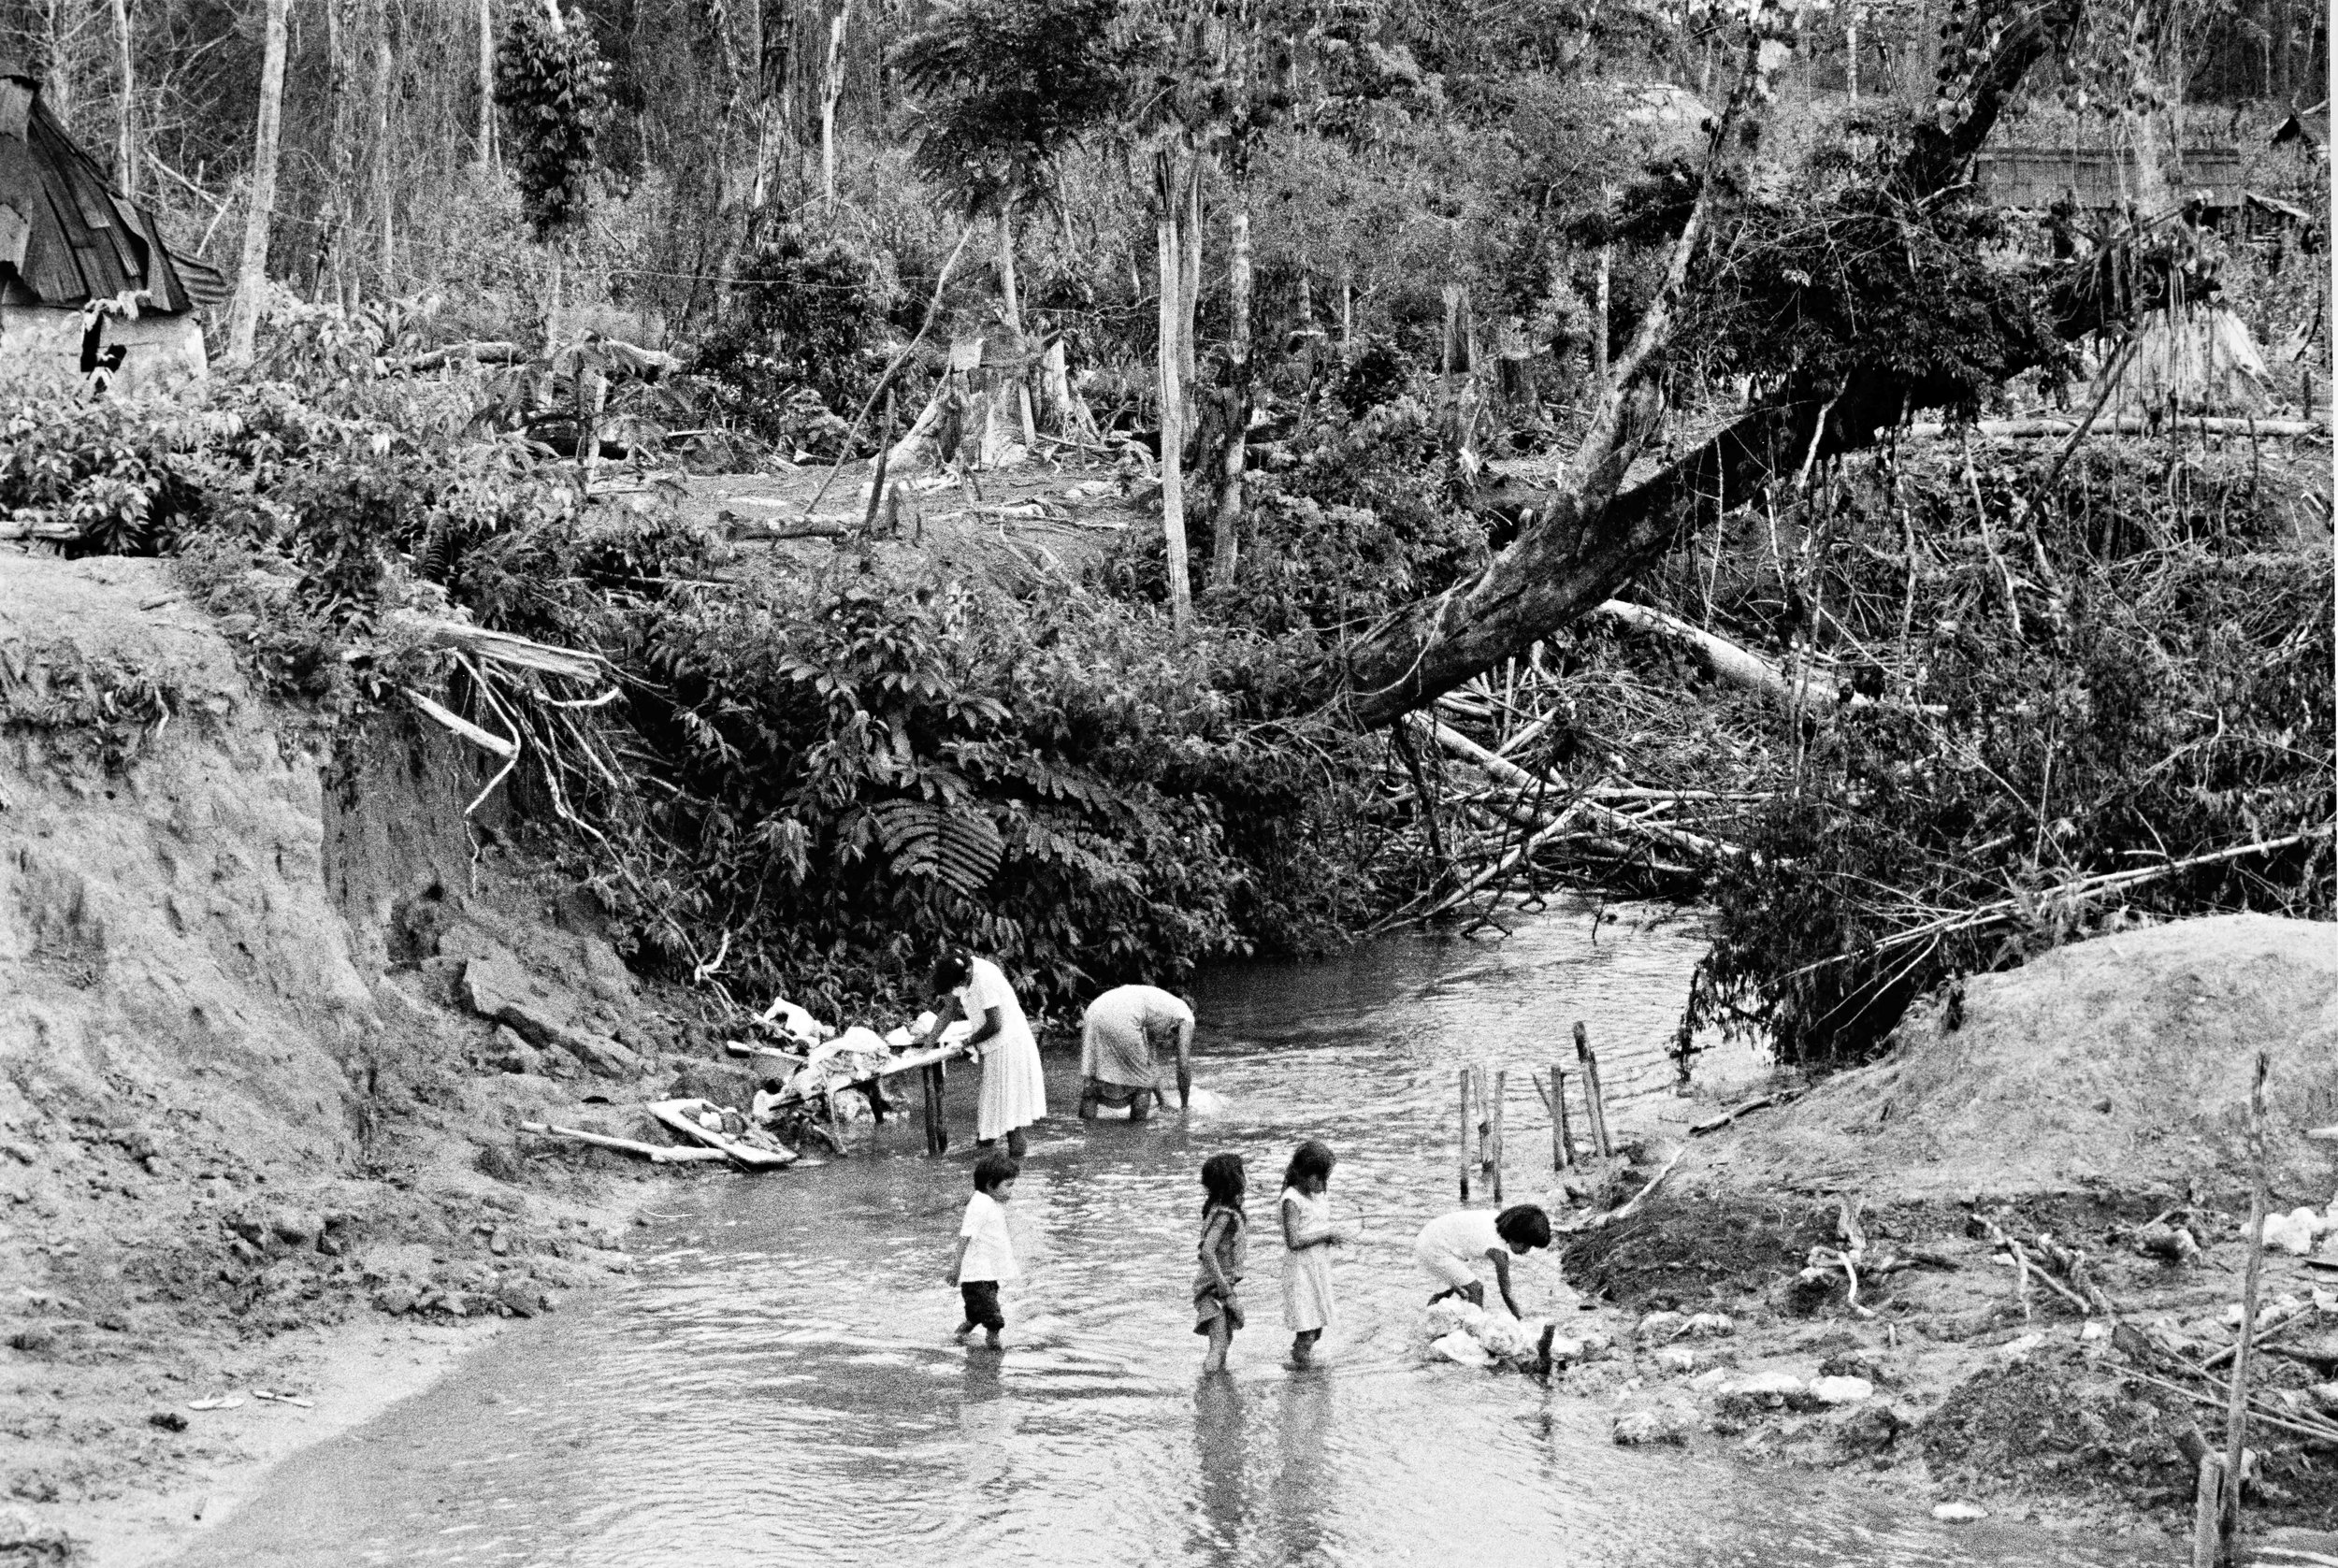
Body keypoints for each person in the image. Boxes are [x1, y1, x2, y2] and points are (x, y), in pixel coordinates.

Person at [920, 950, 1046, 1158]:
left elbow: (995, 1024)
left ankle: (1014, 1171)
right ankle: (984, 1161)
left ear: (967, 973)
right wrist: (928, 1044)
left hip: (1010, 1046)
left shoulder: (985, 978)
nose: (955, 991)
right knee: (989, 1121)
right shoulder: (959, 974)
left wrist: (966, 1042)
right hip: (994, 1048)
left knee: (1011, 1120)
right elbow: (949, 1010)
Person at [1411, 1204, 1552, 1319]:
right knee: (1476, 1289)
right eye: (1526, 1245)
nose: (1526, 1251)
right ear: (1516, 1234)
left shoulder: (1497, 1219)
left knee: (1454, 1285)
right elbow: (1507, 1293)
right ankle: (1473, 1330)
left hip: (1431, 1236)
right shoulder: (1498, 1251)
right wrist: (1521, 1320)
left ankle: (1432, 1312)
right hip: (1434, 1247)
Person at [1078, 984, 1196, 1121]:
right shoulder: (1186, 1014)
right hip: (1123, 1017)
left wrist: (1163, 1101)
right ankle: (1137, 1133)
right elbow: (1183, 1065)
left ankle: (1085, 1129)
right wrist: (1184, 1106)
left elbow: (1150, 1063)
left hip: (1093, 1011)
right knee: (1141, 1087)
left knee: (1093, 1082)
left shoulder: (1156, 1007)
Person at [1278, 1140, 1347, 1367]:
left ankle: (1298, 1364)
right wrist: (1325, 1235)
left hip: (1317, 1270)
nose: (1323, 1184)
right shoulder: (1292, 1200)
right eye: (1319, 1178)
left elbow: (1315, 1226)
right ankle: (1301, 1372)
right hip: (1301, 1274)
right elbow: (1293, 1241)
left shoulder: (1316, 1197)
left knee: (1317, 1328)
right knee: (1307, 1330)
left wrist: (1331, 1236)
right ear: (1303, 1173)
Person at [947, 1151, 1020, 1346]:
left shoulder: (986, 1199)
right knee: (993, 1319)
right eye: (1008, 1186)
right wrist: (956, 1268)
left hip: (984, 1275)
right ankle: (993, 1350)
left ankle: (957, 1337)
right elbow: (965, 1235)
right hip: (977, 1276)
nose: (1010, 1192)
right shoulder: (981, 1204)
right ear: (990, 1185)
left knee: (976, 1316)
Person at [1193, 1153, 1248, 1373]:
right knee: (1218, 1345)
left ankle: (1219, 1384)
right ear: (1235, 1181)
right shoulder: (1225, 1214)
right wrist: (1225, 1291)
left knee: (1224, 1341)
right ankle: (1209, 1390)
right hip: (1214, 1289)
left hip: (1215, 1286)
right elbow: (1207, 1251)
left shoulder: (1217, 1209)